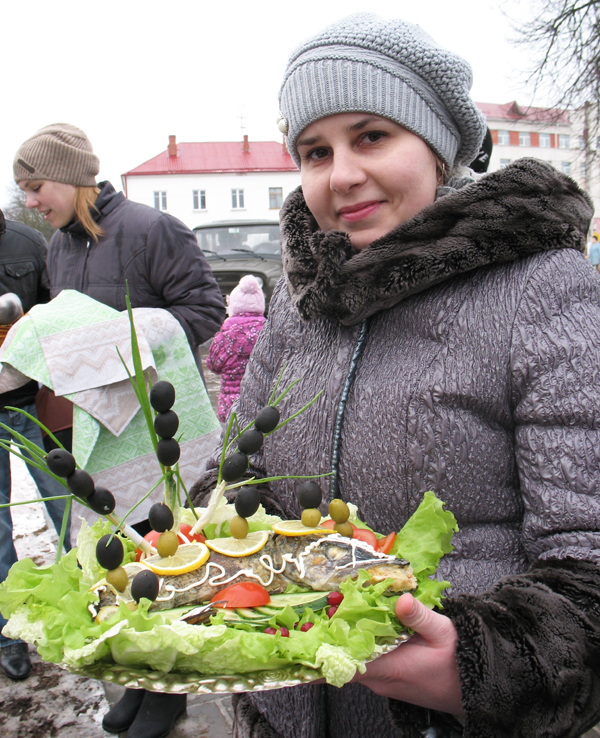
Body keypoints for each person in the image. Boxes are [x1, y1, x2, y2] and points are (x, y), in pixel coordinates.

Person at [190, 14, 600, 738]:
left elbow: (587, 554)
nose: (342, 174)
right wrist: (193, 545)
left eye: (372, 135)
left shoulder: (542, 288)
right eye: (316, 151)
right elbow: (237, 474)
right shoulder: (297, 298)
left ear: (438, 147)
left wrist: (484, 665)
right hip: (283, 705)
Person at [14, 124, 226, 738]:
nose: (30, 201)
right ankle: (139, 674)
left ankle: (170, 690)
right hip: (99, 433)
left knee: (163, 558)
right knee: (115, 564)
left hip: (157, 433)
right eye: (23, 190)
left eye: (36, 186)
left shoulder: (150, 229)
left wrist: (127, 340)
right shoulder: (59, 246)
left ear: (74, 176)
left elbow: (204, 310)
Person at [0, 208, 71, 681]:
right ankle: (7, 635)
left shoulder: (28, 243)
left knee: (70, 504)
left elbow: (57, 314)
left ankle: (90, 605)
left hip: (31, 400)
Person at [206, 274, 267, 422]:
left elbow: (213, 366)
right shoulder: (269, 333)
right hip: (264, 406)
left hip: (231, 407)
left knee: (232, 443)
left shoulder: (225, 336)